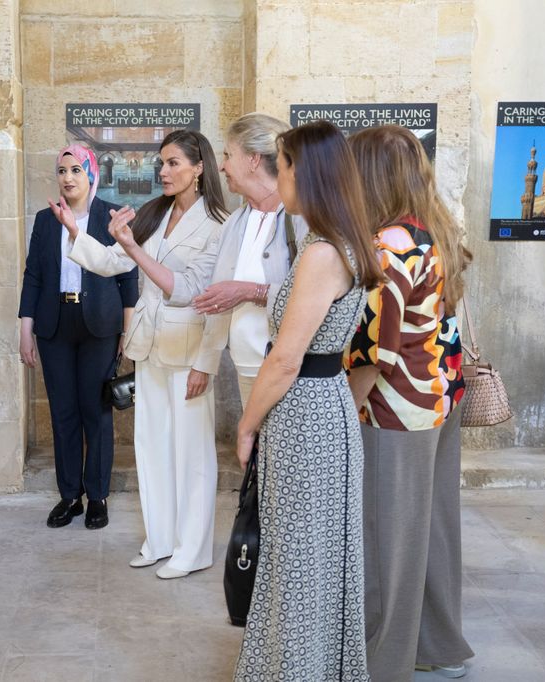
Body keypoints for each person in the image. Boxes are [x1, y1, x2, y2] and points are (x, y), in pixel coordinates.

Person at [234, 121, 384, 681]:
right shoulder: (337, 242)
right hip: (321, 412)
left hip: (305, 415)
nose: (278, 172)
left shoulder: (324, 252)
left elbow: (285, 359)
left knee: (300, 566)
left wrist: (247, 425)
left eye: (283, 162)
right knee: (310, 562)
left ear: (308, 171)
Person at [57, 130, 229, 579]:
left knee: (192, 455)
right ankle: (159, 540)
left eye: (173, 163)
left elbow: (193, 293)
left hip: (190, 351)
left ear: (199, 168)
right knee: (152, 449)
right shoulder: (157, 212)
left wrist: (206, 363)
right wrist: (79, 234)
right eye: (162, 163)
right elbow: (117, 261)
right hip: (150, 347)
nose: (164, 171)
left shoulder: (219, 225)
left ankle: (192, 550)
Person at [345, 125, 475, 680]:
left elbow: (376, 348)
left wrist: (346, 410)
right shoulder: (432, 230)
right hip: (440, 398)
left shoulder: (388, 246)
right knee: (433, 528)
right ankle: (439, 645)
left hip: (394, 408)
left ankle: (383, 661)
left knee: (387, 539)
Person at [18, 145, 138, 530]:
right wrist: (26, 329)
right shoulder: (45, 220)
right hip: (54, 324)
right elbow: (33, 275)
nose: (67, 177)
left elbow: (127, 277)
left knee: (96, 412)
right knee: (63, 412)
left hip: (100, 326)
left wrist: (128, 331)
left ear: (90, 173)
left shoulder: (110, 216)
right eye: (61, 170)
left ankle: (97, 496)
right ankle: (70, 496)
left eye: (75, 169)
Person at [191, 113, 308, 407]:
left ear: (253, 160)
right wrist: (131, 247)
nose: (221, 166)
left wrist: (249, 291)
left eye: (229, 155)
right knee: (256, 452)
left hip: (289, 369)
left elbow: (315, 295)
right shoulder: (235, 222)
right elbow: (205, 287)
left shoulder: (302, 218)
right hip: (245, 364)